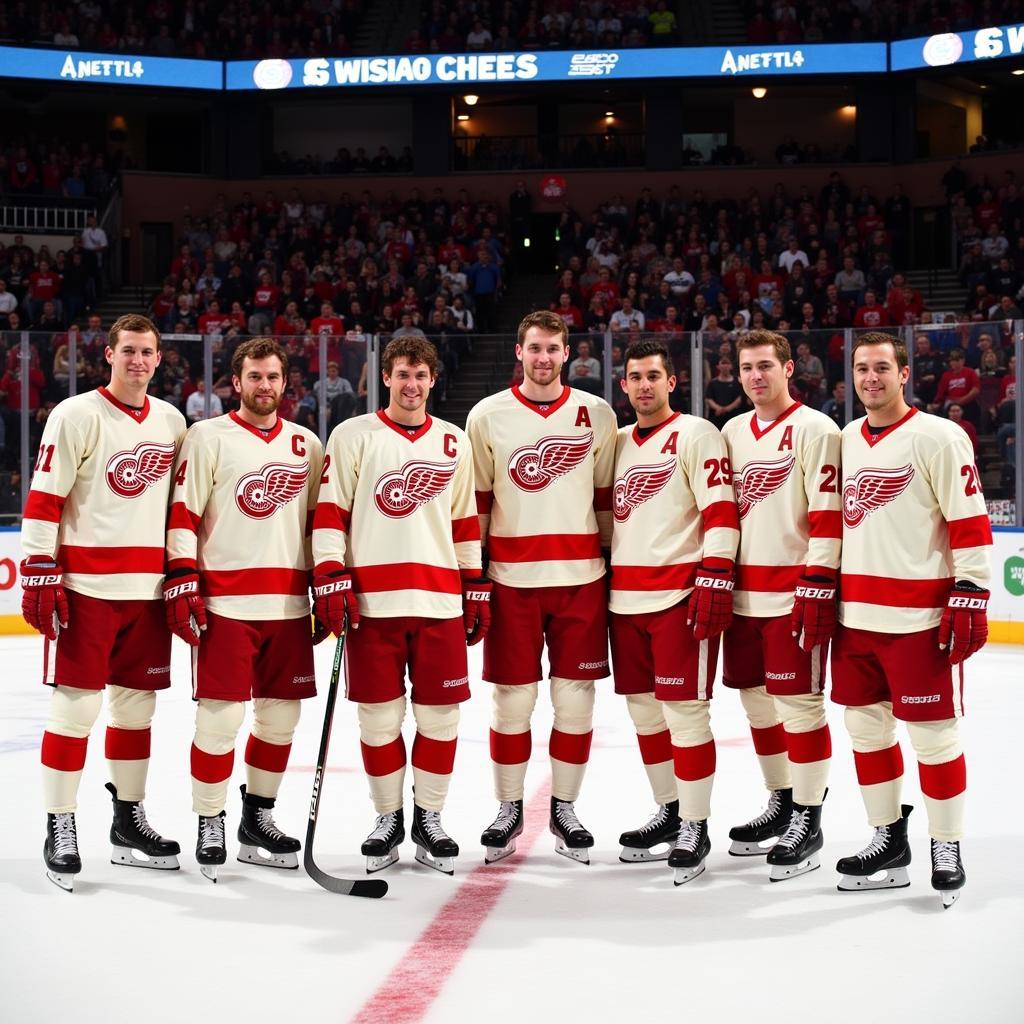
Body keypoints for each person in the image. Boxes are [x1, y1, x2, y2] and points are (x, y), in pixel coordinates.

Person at [20, 313, 186, 892]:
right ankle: (59, 824)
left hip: (147, 594)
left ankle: (126, 821)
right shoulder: (75, 415)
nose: (138, 361)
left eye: (148, 352)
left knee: (136, 713)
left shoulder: (171, 420)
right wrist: (40, 569)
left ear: (159, 359)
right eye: (129, 351)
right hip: (87, 592)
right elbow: (44, 499)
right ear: (108, 355)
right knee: (75, 712)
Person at [312, 337, 485, 875]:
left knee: (440, 718)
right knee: (380, 721)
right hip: (371, 606)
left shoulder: (454, 442)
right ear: (385, 377)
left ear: (434, 380)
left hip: (438, 603)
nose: (412, 385)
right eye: (402, 374)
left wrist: (473, 584)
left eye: (421, 375)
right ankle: (387, 817)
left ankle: (429, 818)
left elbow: (464, 524)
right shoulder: (352, 436)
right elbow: (329, 512)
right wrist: (330, 576)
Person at [832, 332, 992, 908]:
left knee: (933, 737)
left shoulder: (940, 437)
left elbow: (969, 520)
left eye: (881, 368)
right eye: (861, 368)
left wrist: (971, 587)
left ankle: (945, 845)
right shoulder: (847, 438)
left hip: (919, 619)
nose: (870, 378)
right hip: (854, 618)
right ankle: (886, 838)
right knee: (866, 732)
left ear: (904, 373)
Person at [165, 337, 324, 882]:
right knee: (221, 719)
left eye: (272, 377)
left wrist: (326, 585)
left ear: (285, 383)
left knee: (280, 719)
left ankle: (258, 819)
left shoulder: (307, 444)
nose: (264, 386)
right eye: (253, 377)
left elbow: (317, 526)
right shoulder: (206, 437)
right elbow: (183, 513)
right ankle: (210, 819)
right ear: (236, 383)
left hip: (287, 605)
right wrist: (183, 578)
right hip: (225, 604)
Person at [465, 310, 616, 865]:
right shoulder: (487, 415)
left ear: (568, 352)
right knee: (513, 702)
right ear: (519, 352)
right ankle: (508, 807)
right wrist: (475, 576)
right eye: (535, 348)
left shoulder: (596, 413)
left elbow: (605, 501)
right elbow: (475, 503)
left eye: (553, 348)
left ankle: (565, 808)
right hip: (511, 581)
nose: (544, 357)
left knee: (575, 703)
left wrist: (610, 564)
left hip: (581, 582)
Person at [608, 339, 738, 881]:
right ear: (624, 385)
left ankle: (695, 822)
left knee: (685, 715)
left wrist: (716, 574)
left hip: (679, 598)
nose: (644, 385)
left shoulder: (697, 434)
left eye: (653, 376)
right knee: (644, 713)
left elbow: (721, 510)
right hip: (623, 600)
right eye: (635, 377)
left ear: (671, 382)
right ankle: (669, 809)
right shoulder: (614, 443)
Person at [721, 331, 842, 880]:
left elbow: (827, 514)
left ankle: (809, 817)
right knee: (756, 703)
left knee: (800, 707)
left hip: (793, 595)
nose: (755, 376)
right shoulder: (730, 432)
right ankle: (782, 800)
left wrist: (817, 584)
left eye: (765, 365)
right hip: (742, 597)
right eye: (746, 367)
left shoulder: (815, 429)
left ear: (789, 368)